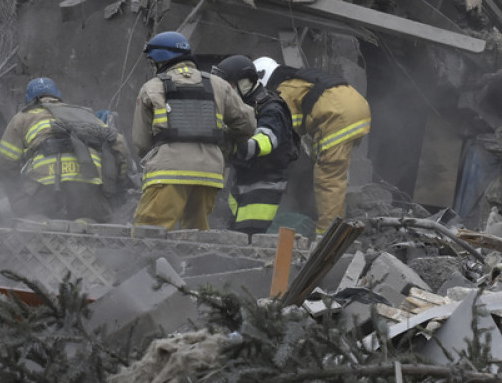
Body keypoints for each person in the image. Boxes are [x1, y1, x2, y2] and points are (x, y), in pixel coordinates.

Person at [132, 31, 256, 230]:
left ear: (161, 59)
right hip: (209, 174)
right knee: (196, 234)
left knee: (150, 231)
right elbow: (247, 125)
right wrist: (225, 142)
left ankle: (152, 262)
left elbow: (141, 142)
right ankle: (189, 263)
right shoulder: (218, 85)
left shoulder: (152, 87)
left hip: (168, 171)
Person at [257, 57, 371, 234]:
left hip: (339, 118)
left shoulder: (283, 92)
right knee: (333, 170)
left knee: (328, 179)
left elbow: (285, 126)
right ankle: (335, 223)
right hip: (358, 109)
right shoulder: (298, 80)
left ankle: (326, 235)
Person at [0, 77, 133, 222]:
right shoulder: (83, 114)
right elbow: (120, 144)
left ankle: (41, 227)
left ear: (29, 100)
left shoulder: (22, 117)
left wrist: (17, 198)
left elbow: (6, 161)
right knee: (90, 219)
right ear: (58, 96)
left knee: (35, 218)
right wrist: (120, 184)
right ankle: (85, 228)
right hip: (88, 181)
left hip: (44, 183)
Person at [213, 55, 299, 234]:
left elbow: (266, 141)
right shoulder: (242, 106)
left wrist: (235, 149)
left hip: (265, 184)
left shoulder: (271, 108)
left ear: (244, 83)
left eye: (228, 86)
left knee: (249, 236)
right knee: (236, 233)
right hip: (244, 179)